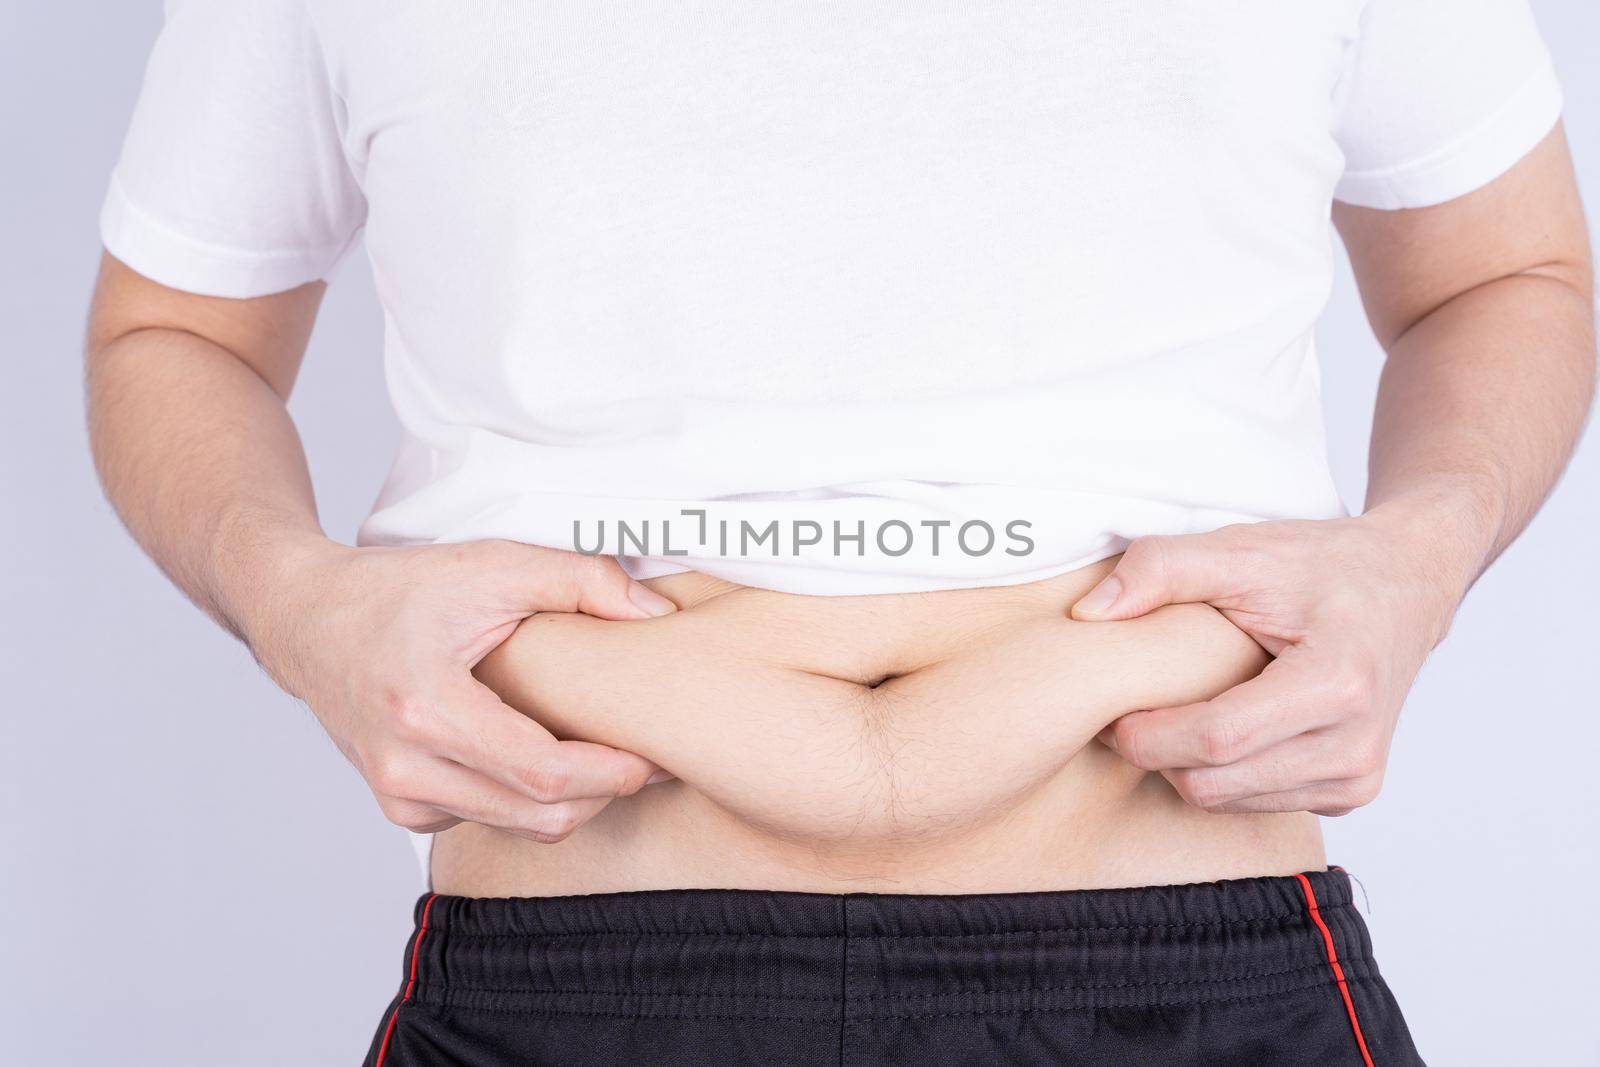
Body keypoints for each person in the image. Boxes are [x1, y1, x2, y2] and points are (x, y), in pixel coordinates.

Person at [87, 2, 1593, 1064]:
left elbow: (1507, 272)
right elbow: (172, 330)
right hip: (581, 976)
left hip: (1192, 953)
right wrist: (295, 601)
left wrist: (1422, 553)